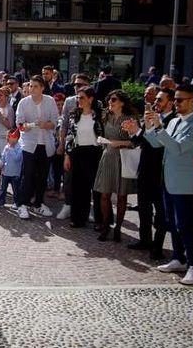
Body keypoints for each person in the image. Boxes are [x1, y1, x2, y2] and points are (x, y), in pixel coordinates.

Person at [143, 84, 193, 285]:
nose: (175, 103)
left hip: (184, 183)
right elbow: (158, 144)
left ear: (192, 100)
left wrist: (159, 127)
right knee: (172, 223)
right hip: (168, 180)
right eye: (175, 99)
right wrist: (144, 129)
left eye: (179, 100)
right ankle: (179, 258)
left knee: (185, 225)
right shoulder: (175, 121)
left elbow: (178, 148)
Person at [122, 88, 175, 259]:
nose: (156, 103)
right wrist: (134, 130)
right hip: (144, 170)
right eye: (156, 100)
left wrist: (148, 129)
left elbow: (162, 144)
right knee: (144, 209)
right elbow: (141, 141)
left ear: (171, 102)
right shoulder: (150, 116)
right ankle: (145, 240)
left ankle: (157, 247)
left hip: (161, 172)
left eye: (160, 100)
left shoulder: (174, 121)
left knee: (161, 213)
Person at [93, 90, 136, 242]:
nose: (110, 102)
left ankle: (118, 228)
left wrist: (120, 143)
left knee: (122, 196)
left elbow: (135, 141)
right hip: (108, 156)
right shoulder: (106, 116)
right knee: (104, 195)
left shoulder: (129, 119)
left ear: (122, 102)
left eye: (113, 99)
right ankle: (106, 226)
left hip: (123, 158)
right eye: (109, 99)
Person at [15, 75, 58, 219]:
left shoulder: (50, 101)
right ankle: (23, 204)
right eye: (30, 86)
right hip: (29, 144)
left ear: (42, 88)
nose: (32, 89)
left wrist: (45, 125)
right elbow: (19, 123)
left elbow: (54, 122)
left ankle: (38, 203)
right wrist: (24, 127)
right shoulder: (23, 102)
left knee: (42, 176)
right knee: (28, 175)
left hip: (45, 144)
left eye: (35, 86)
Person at [63, 87, 103, 228]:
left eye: (82, 98)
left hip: (94, 153)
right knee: (78, 187)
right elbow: (70, 136)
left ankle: (100, 221)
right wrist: (67, 155)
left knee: (96, 188)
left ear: (90, 99)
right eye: (78, 97)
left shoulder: (99, 115)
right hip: (77, 152)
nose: (79, 100)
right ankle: (78, 218)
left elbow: (102, 135)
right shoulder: (74, 114)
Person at [0, 128, 23, 208]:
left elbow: (17, 159)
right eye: (7, 137)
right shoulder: (7, 146)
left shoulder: (20, 148)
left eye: (9, 137)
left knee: (16, 190)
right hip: (5, 172)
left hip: (15, 173)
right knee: (3, 189)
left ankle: (17, 203)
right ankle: (1, 201)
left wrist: (10, 150)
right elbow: (3, 156)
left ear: (16, 138)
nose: (7, 139)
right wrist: (0, 162)